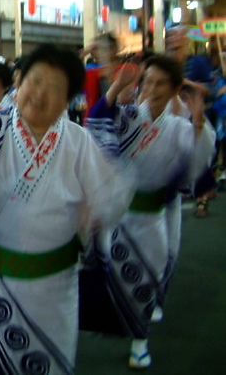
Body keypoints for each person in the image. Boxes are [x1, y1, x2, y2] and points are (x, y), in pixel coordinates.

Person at [0, 43, 134, 374]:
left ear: (68, 101)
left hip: (54, 289)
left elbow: (112, 197)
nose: (40, 94)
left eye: (55, 88)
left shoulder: (78, 142)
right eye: (35, 81)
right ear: (19, 82)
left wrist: (94, 213)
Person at [83, 55, 214, 369]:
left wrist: (198, 124)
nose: (152, 88)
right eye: (148, 81)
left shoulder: (182, 129)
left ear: (173, 91)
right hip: (119, 217)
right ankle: (115, 321)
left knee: (147, 280)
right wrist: (115, 87)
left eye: (161, 83)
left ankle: (140, 340)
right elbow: (98, 126)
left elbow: (198, 165)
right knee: (110, 277)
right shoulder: (130, 117)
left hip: (153, 218)